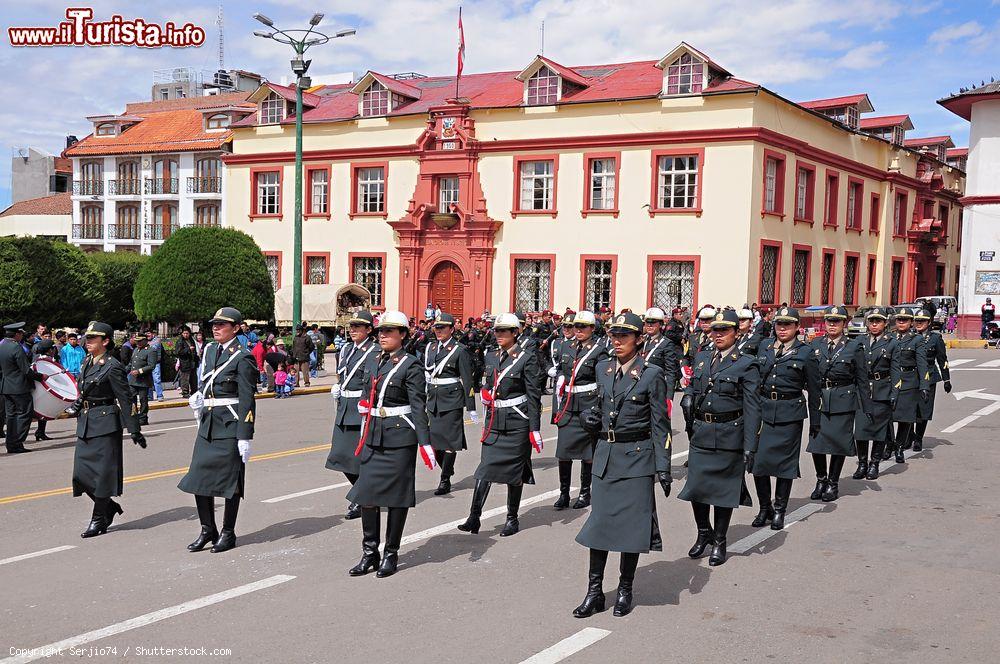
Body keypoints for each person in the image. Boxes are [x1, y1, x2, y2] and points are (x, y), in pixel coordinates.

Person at [572, 312, 671, 618]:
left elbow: (660, 424)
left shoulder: (651, 374)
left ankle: (625, 589)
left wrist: (663, 467)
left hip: (637, 457)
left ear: (638, 340)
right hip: (606, 456)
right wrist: (589, 418)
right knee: (599, 525)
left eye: (624, 336)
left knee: (631, 528)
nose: (616, 341)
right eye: (613, 336)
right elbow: (601, 406)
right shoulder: (603, 368)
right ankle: (594, 592)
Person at [347, 311, 433, 578]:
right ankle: (369, 552)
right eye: (381, 331)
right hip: (374, 436)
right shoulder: (373, 361)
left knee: (396, 499)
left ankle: (391, 553)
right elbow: (366, 393)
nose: (383, 335)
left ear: (403, 335)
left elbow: (418, 406)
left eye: (390, 331)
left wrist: (425, 442)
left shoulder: (411, 365)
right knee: (367, 496)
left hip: (399, 439)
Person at [679, 309, 759, 567]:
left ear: (736, 332)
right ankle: (704, 532)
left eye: (725, 330)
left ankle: (720, 540)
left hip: (729, 434)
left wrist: (750, 446)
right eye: (715, 330)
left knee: (723, 492)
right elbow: (693, 384)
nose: (719, 334)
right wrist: (689, 395)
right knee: (697, 489)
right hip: (702, 432)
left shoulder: (746, 363)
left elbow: (752, 407)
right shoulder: (702, 357)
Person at [178, 307, 258, 553]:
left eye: (222, 325)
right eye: (214, 324)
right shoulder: (210, 350)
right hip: (208, 425)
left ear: (236, 328)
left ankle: (228, 532)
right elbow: (206, 382)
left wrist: (245, 435)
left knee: (229, 483)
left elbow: (247, 398)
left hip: (229, 426)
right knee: (199, 480)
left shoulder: (243, 356)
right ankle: (207, 529)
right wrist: (199, 396)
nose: (216, 328)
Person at [458, 313, 543, 538]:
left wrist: (535, 429)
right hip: (495, 421)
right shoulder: (492, 356)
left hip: (517, 422)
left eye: (504, 331)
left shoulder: (527, 358)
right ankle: (474, 516)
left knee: (515, 473)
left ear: (516, 333)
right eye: (496, 331)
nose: (498, 335)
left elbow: (534, 395)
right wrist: (485, 394)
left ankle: (512, 518)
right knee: (484, 468)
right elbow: (488, 382)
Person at [71, 322, 146, 537]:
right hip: (86, 422)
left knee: (102, 476)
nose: (88, 342)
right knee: (80, 475)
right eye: (88, 338)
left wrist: (134, 430)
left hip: (105, 424)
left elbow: (125, 398)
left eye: (93, 338)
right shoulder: (87, 361)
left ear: (105, 341)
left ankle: (98, 518)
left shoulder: (112, 366)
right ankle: (109, 507)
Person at [751, 307, 820, 530]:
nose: (782, 329)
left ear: (797, 327)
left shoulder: (806, 352)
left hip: (789, 412)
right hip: (763, 410)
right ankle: (764, 508)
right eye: (779, 324)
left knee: (784, 465)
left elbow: (815, 390)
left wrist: (816, 421)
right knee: (758, 463)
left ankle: (780, 509)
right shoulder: (764, 346)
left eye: (787, 325)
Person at [806, 306, 870, 502]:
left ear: (845, 323)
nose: (832, 325)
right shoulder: (816, 344)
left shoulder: (853, 346)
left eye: (837, 321)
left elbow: (861, 378)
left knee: (838, 443)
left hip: (844, 398)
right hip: (820, 399)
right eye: (829, 321)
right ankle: (821, 479)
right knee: (816, 443)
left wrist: (867, 406)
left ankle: (833, 483)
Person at [552, 310, 609, 510]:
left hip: (588, 405)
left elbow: (603, 380)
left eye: (582, 327)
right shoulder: (566, 345)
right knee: (564, 453)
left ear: (592, 329)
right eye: (576, 327)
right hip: (568, 404)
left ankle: (585, 493)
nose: (578, 330)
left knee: (588, 454)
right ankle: (564, 493)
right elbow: (561, 369)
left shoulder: (599, 350)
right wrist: (559, 378)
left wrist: (599, 409)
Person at [327, 311, 378, 520]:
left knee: (358, 459)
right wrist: (337, 386)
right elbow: (344, 374)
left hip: (361, 408)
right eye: (352, 326)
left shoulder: (374, 351)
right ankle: (363, 492)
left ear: (368, 329)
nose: (354, 330)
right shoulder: (346, 349)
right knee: (339, 457)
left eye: (359, 326)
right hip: (344, 406)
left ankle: (361, 497)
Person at [424, 313, 478, 496]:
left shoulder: (459, 350)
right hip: (433, 398)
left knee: (448, 442)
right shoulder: (430, 348)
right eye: (436, 328)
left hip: (451, 400)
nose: (438, 331)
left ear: (451, 329)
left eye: (443, 328)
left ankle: (445, 479)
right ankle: (448, 467)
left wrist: (470, 406)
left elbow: (467, 379)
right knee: (432, 440)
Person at [853, 307, 898, 480]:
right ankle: (862, 463)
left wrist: (895, 393)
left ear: (885, 323)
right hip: (863, 390)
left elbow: (895, 370)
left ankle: (874, 463)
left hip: (882, 389)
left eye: (878, 321)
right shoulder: (860, 341)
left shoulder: (891, 342)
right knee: (861, 430)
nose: (874, 325)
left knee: (879, 430)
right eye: (871, 321)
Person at [889, 307, 930, 463]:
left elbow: (922, 363)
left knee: (905, 418)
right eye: (899, 319)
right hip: (890, 381)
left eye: (905, 319)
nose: (901, 322)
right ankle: (888, 444)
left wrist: (924, 385)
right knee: (887, 417)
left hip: (908, 381)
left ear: (911, 322)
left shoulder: (916, 339)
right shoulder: (889, 337)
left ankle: (899, 447)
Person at [1, 322, 45, 454]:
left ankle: (11, 443)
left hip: (6, 386)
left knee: (11, 416)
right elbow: (26, 370)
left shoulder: (2, 346)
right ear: (17, 334)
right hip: (19, 387)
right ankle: (17, 442)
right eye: (21, 333)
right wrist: (41, 377)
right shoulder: (16, 348)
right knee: (25, 414)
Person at [913, 308, 951, 451]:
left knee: (924, 409)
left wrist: (946, 380)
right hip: (911, 376)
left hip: (929, 376)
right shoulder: (909, 336)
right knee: (909, 408)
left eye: (922, 321)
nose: (919, 323)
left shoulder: (935, 339)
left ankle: (918, 438)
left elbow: (942, 360)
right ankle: (909, 434)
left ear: (928, 323)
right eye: (917, 321)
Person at [639, 307, 679, 405]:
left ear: (660, 324)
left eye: (653, 323)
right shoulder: (641, 341)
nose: (649, 325)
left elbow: (670, 372)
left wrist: (669, 397)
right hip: (639, 388)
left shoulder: (666, 344)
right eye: (647, 322)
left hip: (656, 389)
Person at [31, 338, 60, 441]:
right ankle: (39, 432)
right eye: (53, 348)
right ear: (49, 350)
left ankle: (40, 432)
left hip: (41, 387)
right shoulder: (45, 361)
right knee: (41, 410)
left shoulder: (38, 358)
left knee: (42, 410)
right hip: (42, 388)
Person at [127, 333, 156, 426]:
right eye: (136, 341)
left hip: (143, 380)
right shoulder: (136, 350)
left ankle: (143, 417)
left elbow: (151, 365)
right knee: (132, 399)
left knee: (143, 399)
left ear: (145, 341)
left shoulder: (151, 351)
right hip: (133, 380)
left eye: (140, 341)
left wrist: (139, 371)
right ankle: (134, 416)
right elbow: (131, 364)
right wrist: (123, 370)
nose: (138, 343)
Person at [175, 327, 198, 398]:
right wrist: (188, 349)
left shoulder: (191, 340)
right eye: (184, 333)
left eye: (187, 333)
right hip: (185, 363)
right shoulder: (180, 341)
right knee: (185, 379)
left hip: (192, 362)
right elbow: (178, 352)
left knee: (193, 379)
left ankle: (194, 392)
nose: (186, 335)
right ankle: (185, 393)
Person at [146, 330, 164, 402]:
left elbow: (153, 348)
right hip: (147, 363)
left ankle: (160, 395)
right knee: (148, 380)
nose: (147, 335)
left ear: (153, 334)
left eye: (149, 333)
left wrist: (145, 346)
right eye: (146, 334)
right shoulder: (145, 341)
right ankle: (149, 396)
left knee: (157, 379)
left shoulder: (157, 340)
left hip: (156, 363)